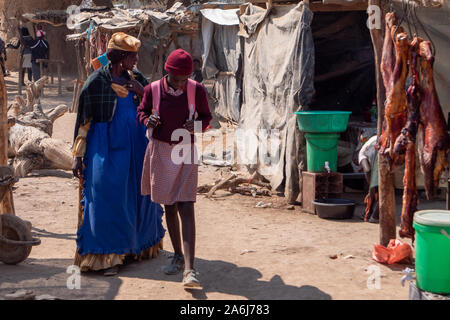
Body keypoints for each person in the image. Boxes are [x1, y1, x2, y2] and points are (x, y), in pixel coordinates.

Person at [72, 32, 165, 276]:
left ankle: (133, 249)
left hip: (136, 150)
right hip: (105, 149)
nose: (136, 60)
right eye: (132, 56)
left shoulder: (137, 79)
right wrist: (77, 156)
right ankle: (107, 256)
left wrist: (140, 90)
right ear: (120, 57)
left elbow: (155, 105)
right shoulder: (95, 83)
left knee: (138, 197)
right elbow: (83, 122)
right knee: (106, 198)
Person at [138, 49, 212, 288]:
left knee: (187, 205)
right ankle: (177, 255)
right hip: (160, 151)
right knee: (169, 205)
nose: (180, 84)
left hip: (185, 151)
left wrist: (196, 124)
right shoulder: (152, 90)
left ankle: (190, 270)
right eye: (176, 79)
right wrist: (147, 120)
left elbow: (207, 118)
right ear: (166, 73)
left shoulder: (196, 90)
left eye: (184, 80)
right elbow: (142, 111)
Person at [358, 134, 379, 223]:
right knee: (373, 189)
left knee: (376, 191)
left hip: (374, 160)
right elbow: (368, 169)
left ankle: (370, 213)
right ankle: (369, 214)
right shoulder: (375, 142)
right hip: (367, 158)